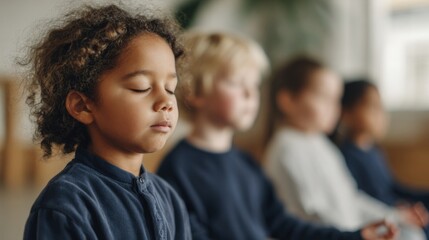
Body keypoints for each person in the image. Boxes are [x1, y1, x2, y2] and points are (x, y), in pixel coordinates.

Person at [157, 32, 397, 240]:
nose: (250, 94)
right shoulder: (178, 168)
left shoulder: (247, 164)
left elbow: (284, 225)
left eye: (254, 84)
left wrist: (354, 236)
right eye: (237, 83)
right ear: (194, 92)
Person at [21, 4, 191, 239]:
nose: (166, 101)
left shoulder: (170, 199)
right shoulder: (65, 206)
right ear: (82, 106)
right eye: (141, 87)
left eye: (170, 88)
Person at [264, 56, 428, 240]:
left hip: (349, 234)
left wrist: (395, 216)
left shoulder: (321, 144)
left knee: (411, 234)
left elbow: (351, 199)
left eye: (336, 100)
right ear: (287, 100)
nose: (334, 108)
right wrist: (355, 235)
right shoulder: (287, 148)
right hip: (333, 236)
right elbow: (313, 215)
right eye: (324, 97)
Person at [338, 79, 429, 224]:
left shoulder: (373, 150)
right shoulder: (345, 156)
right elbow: (366, 201)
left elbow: (393, 188)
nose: (381, 114)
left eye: (381, 107)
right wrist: (400, 212)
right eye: (373, 107)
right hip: (384, 218)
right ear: (347, 113)